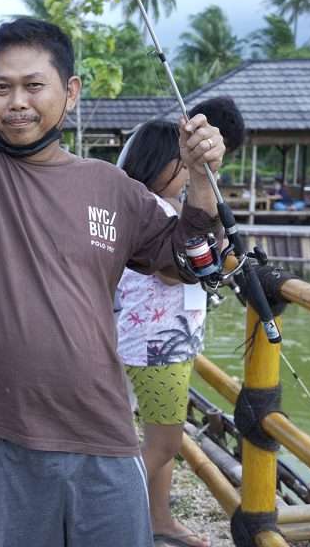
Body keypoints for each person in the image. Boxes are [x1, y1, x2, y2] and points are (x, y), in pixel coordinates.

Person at [0, 0, 226, 545]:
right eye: (1, 87)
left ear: (72, 91)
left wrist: (203, 183)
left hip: (104, 429)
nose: (17, 103)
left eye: (34, 86)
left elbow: (191, 262)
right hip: (0, 429)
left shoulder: (112, 187)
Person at [116, 120, 210, 547]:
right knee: (165, 443)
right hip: (159, 347)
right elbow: (181, 273)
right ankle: (103, 512)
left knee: (157, 435)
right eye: (182, 163)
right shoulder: (163, 211)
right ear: (160, 165)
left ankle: (159, 519)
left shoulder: (133, 204)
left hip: (142, 341)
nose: (188, 171)